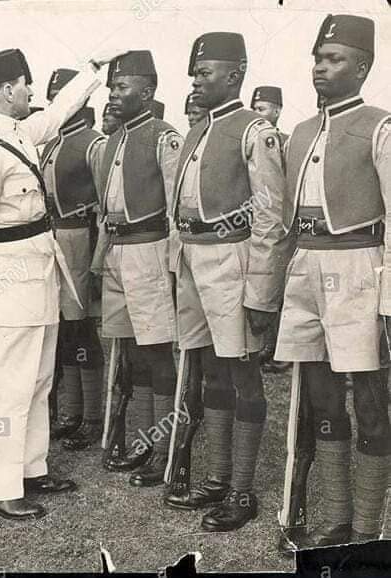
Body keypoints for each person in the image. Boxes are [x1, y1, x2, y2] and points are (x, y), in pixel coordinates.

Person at [0, 47, 120, 520]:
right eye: (26, 85)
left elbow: (62, 110)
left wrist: (94, 68)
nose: (31, 92)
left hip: (39, 276)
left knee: (39, 380)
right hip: (8, 284)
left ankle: (30, 467)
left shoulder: (19, 133)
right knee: (7, 388)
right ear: (8, 90)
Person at [275, 14, 390, 549]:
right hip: (305, 265)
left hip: (359, 267)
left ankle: (368, 528)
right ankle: (337, 518)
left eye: (334, 59)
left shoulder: (380, 127)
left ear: (362, 67)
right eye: (318, 59)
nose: (321, 68)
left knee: (369, 401)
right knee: (321, 398)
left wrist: (388, 300)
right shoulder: (300, 133)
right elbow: (281, 222)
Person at [167, 32, 289, 531]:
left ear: (234, 74)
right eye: (194, 73)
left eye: (205, 72)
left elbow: (270, 217)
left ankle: (242, 490)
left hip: (232, 258)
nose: (195, 81)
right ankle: (217, 477)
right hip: (192, 256)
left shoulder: (254, 131)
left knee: (242, 373)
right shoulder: (196, 129)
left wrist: (260, 293)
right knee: (209, 369)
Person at [94, 50, 183, 488]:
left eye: (122, 86)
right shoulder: (112, 140)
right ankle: (145, 440)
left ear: (147, 92)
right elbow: (103, 209)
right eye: (112, 86)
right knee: (129, 350)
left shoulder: (165, 137)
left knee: (157, 352)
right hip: (116, 251)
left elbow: (176, 208)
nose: (113, 94)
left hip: (150, 250)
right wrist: (99, 260)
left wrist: (174, 266)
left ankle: (165, 450)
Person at [41, 67, 106, 450]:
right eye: (53, 98)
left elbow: (105, 206)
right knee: (64, 326)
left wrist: (97, 259)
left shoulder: (94, 144)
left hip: (81, 238)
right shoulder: (52, 143)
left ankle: (92, 416)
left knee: (82, 329)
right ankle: (70, 411)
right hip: (54, 238)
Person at [250, 85, 291, 374]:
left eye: (262, 108)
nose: (257, 113)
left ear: (277, 111)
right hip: (256, 222)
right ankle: (268, 344)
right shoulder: (251, 139)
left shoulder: (286, 142)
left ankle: (281, 350)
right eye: (254, 108)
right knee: (262, 289)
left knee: (282, 289)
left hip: (283, 224)